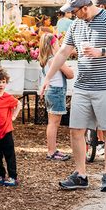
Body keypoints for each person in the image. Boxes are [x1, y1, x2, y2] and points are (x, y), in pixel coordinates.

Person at [39, 0, 106, 193]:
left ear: (85, 8)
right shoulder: (76, 25)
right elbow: (62, 52)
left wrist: (101, 52)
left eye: (75, 11)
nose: (72, 15)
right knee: (76, 129)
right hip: (83, 85)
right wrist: (48, 78)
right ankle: (81, 174)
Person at [38, 33, 73, 161]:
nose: (60, 46)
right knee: (53, 123)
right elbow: (70, 74)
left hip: (51, 92)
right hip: (56, 92)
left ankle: (52, 149)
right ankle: (51, 151)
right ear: (53, 45)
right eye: (58, 43)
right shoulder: (54, 59)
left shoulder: (45, 59)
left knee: (52, 122)